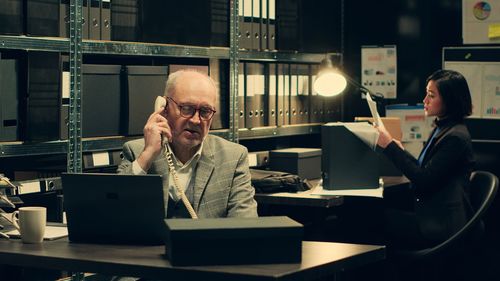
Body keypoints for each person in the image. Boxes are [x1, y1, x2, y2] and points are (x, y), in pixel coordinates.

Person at [117, 69, 258, 218]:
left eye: (205, 111)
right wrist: (147, 155)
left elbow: (245, 225)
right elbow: (114, 210)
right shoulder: (137, 151)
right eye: (186, 108)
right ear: (164, 108)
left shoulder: (233, 157)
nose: (196, 120)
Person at [375, 69, 475, 250]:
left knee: (371, 220)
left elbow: (423, 179)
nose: (425, 101)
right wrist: (399, 150)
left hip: (440, 224)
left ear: (449, 100)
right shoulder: (443, 128)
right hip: (431, 212)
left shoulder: (455, 137)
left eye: (431, 95)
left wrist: (389, 145)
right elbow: (425, 168)